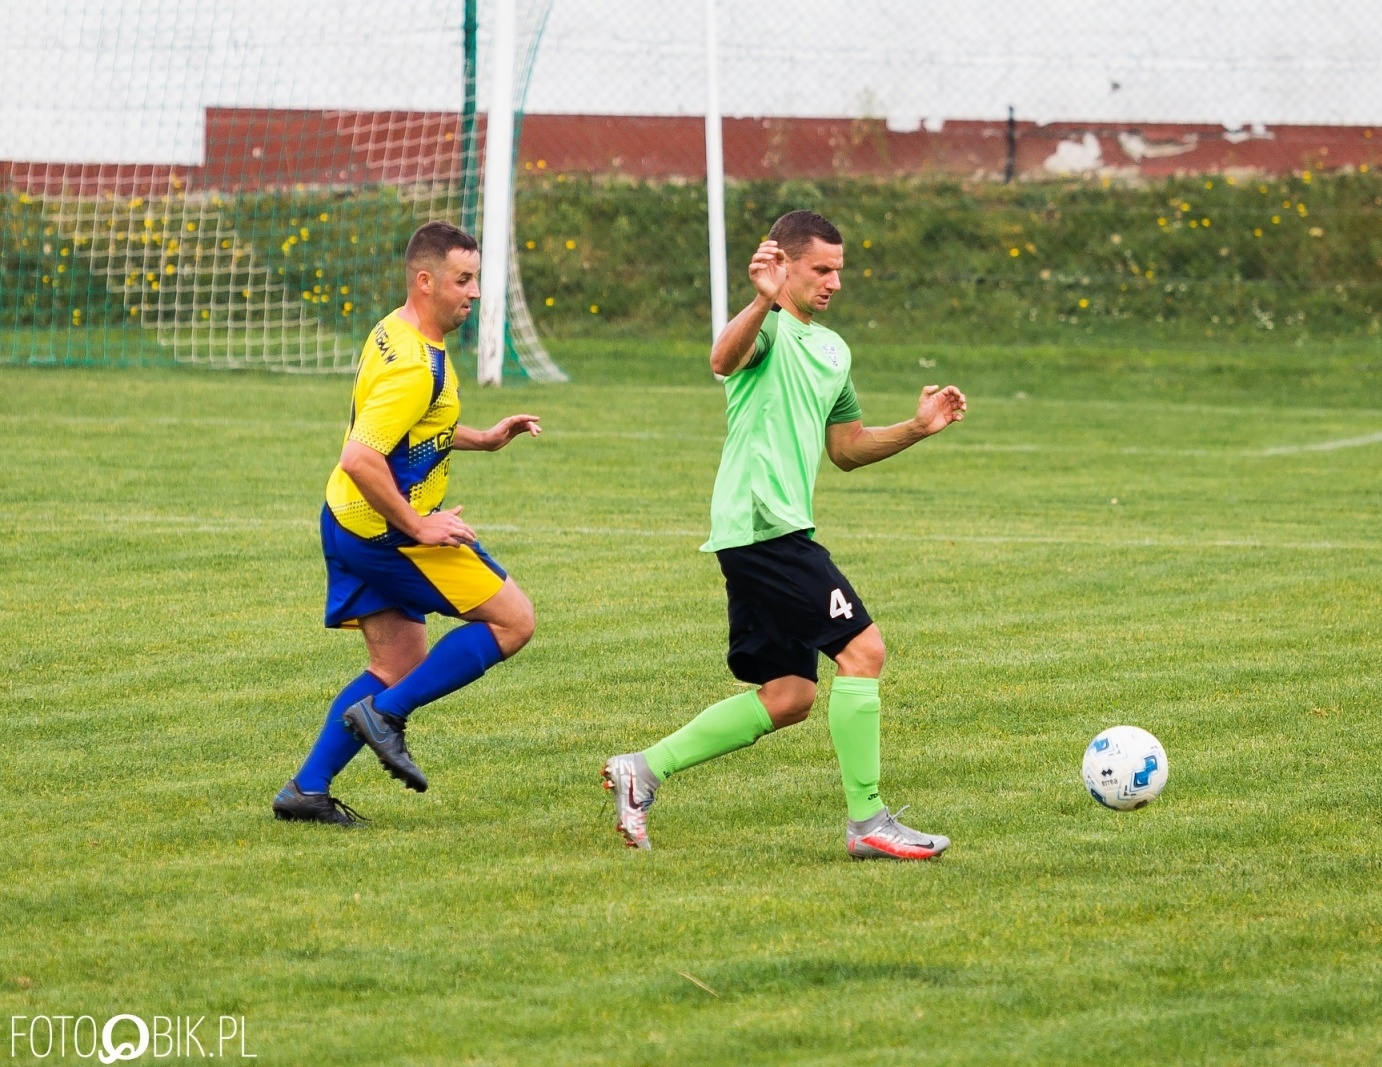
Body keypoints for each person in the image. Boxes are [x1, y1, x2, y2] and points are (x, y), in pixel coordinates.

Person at [603, 209, 968, 859]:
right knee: (864, 650)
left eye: (839, 270)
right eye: (821, 269)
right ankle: (868, 822)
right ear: (784, 264)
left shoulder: (833, 350)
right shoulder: (766, 328)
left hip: (772, 529)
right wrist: (759, 300)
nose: (834, 282)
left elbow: (847, 448)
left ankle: (642, 769)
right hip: (762, 526)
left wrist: (916, 428)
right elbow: (722, 358)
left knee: (789, 696)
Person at [273, 221, 540, 825]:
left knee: (396, 665)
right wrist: (419, 526)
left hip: (345, 519)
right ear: (426, 281)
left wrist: (481, 438)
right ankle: (385, 715)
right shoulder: (417, 366)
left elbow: (406, 428)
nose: (474, 293)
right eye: (462, 280)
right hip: (387, 534)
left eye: (475, 279)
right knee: (514, 621)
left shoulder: (393, 329)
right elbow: (360, 456)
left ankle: (307, 790)